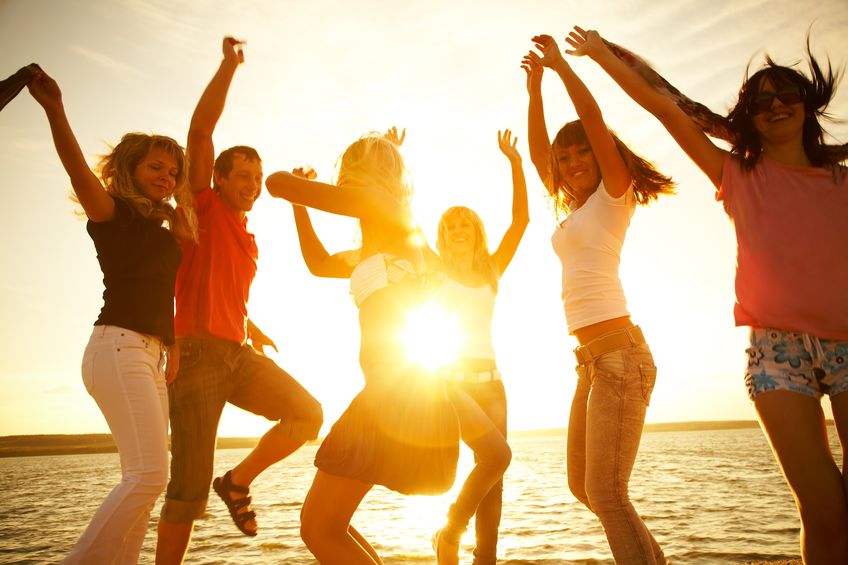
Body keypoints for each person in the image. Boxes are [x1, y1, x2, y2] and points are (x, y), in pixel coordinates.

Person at [569, 26, 848, 564]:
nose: (774, 104)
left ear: (806, 105)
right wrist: (602, 55)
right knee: (823, 508)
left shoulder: (841, 183)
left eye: (785, 93)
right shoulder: (736, 173)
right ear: (749, 118)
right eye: (759, 99)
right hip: (777, 355)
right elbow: (663, 108)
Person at [266, 129, 511, 565]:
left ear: (367, 174)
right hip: (408, 386)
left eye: (349, 170)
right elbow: (319, 264)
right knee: (327, 527)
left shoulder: (379, 206)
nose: (343, 180)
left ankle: (450, 534)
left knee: (318, 529)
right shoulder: (383, 238)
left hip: (393, 393)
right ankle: (450, 534)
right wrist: (301, 208)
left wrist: (299, 184)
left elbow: (275, 183)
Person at [155, 37, 323, 564]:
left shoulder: (248, 239)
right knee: (187, 486)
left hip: (237, 354)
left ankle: (239, 481)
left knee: (307, 414)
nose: (252, 184)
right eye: (243, 176)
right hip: (198, 356)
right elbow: (200, 132)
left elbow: (225, 289)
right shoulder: (202, 208)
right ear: (220, 180)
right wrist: (228, 66)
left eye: (257, 177)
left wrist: (251, 326)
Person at [26, 67, 196, 564]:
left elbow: (164, 292)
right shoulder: (112, 214)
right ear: (129, 170)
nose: (165, 178)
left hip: (150, 354)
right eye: (155, 168)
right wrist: (55, 109)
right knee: (151, 476)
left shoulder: (164, 230)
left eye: (172, 172)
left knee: (140, 480)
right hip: (117, 347)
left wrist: (174, 344)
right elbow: (75, 167)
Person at [523, 33, 674, 564]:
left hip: (620, 357)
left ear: (597, 148)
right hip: (590, 364)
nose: (570, 163)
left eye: (580, 150)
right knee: (585, 488)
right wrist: (534, 89)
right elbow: (540, 153)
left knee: (608, 495)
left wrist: (562, 69)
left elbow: (590, 118)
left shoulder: (615, 195)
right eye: (564, 159)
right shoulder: (576, 210)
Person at [431, 128, 528, 565]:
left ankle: (485, 557)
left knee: (496, 472)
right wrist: (394, 161)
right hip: (452, 385)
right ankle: (450, 530)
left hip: (493, 386)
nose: (458, 229)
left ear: (476, 231)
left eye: (464, 223)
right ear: (442, 237)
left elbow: (521, 222)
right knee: (492, 460)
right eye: (450, 225)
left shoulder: (491, 269)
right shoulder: (434, 270)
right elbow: (399, 222)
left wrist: (515, 163)